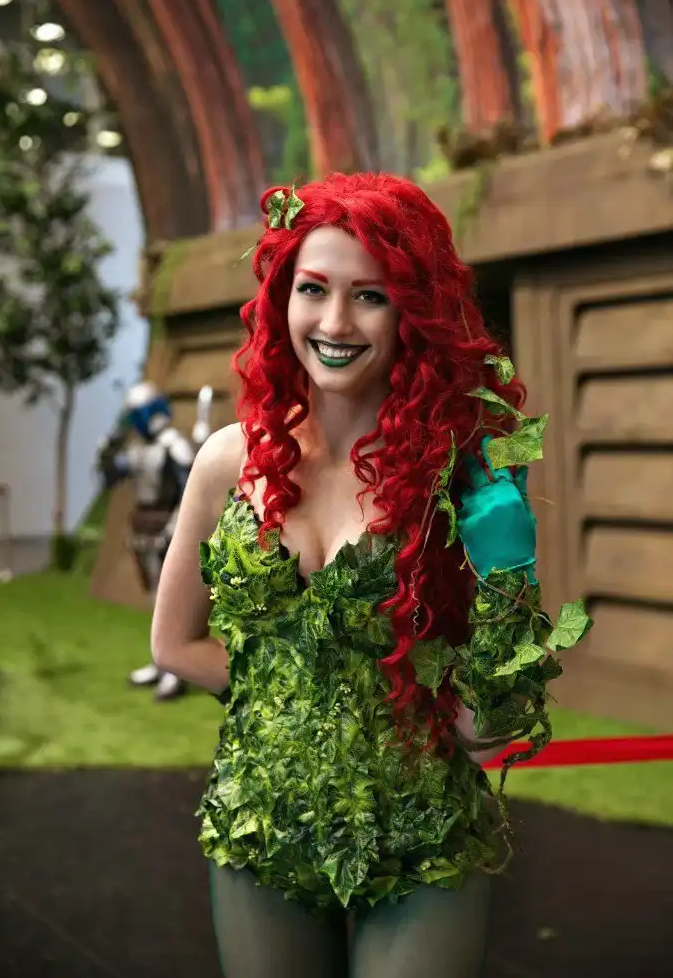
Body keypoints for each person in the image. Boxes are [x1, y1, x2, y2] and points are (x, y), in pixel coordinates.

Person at [150, 173, 591, 976]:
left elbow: (485, 731)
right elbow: (173, 645)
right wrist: (303, 703)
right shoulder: (226, 462)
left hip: (426, 838)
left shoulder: (462, 476)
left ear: (413, 311)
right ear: (281, 298)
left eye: (370, 297)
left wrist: (509, 572)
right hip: (263, 825)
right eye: (313, 289)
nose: (334, 323)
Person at [97, 381, 204, 701]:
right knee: (154, 598)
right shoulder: (137, 449)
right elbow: (109, 477)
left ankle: (175, 670)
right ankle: (161, 662)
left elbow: (191, 490)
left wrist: (177, 526)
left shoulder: (174, 445)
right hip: (143, 526)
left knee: (172, 600)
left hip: (168, 525)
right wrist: (107, 448)